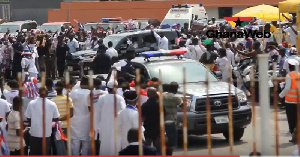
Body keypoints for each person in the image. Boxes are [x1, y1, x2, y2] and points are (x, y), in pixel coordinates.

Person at [24, 87, 60, 155]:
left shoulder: (32, 103)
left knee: (34, 153)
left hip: (34, 133)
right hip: (46, 134)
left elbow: (28, 117)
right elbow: (56, 118)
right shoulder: (52, 104)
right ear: (47, 93)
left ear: (38, 93)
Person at [95, 80, 126, 155]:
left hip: (104, 125)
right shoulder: (120, 98)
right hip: (116, 126)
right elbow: (123, 111)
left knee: (104, 144)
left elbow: (97, 113)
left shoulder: (102, 98)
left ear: (107, 88)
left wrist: (97, 127)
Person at [279, 59, 300, 141]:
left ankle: (294, 137)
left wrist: (280, 95)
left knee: (291, 121)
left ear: (289, 66)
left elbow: (287, 89)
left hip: (290, 102)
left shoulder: (289, 76)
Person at [69, 76, 91, 155]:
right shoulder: (90, 93)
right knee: (86, 142)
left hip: (75, 120)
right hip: (87, 121)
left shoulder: (73, 92)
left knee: (75, 141)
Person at [142, 87, 166, 154]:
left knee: (146, 149)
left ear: (147, 94)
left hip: (148, 130)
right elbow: (164, 116)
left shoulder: (145, 105)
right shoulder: (161, 105)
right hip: (158, 130)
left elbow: (142, 118)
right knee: (159, 150)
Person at [162, 82, 182, 155]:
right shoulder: (176, 98)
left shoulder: (162, 96)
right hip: (171, 122)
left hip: (161, 122)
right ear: (176, 89)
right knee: (171, 143)